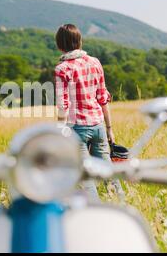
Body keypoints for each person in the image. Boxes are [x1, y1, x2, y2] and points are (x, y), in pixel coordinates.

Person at [54, 24, 125, 201]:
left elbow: (63, 105)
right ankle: (121, 205)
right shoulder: (95, 62)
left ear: (59, 45)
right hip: (98, 125)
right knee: (108, 173)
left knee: (86, 178)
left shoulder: (62, 69)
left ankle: (94, 212)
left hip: (76, 128)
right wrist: (109, 128)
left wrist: (60, 133)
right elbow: (103, 97)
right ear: (79, 41)